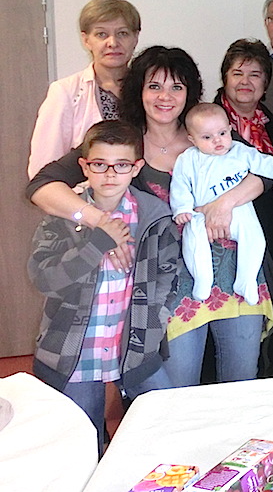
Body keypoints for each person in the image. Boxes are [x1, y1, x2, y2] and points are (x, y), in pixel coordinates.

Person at [28, 46, 273, 388]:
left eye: (177, 87)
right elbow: (41, 186)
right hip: (162, 286)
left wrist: (226, 202)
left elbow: (262, 173)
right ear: (138, 91)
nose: (165, 97)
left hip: (234, 271)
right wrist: (100, 221)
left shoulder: (207, 134)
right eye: (154, 86)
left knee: (241, 382)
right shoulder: (121, 142)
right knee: (176, 393)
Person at [27, 120, 178, 450]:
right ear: (84, 166)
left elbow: (169, 272)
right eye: (100, 164)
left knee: (164, 425)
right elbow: (44, 277)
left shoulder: (154, 215)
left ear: (137, 167)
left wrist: (157, 317)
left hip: (136, 345)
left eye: (121, 165)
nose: (110, 175)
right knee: (83, 440)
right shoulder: (62, 215)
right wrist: (97, 243)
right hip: (78, 351)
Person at [171, 103, 273, 306]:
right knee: (194, 240)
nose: (217, 140)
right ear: (192, 139)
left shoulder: (240, 151)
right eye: (207, 137)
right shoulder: (188, 159)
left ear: (230, 128)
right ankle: (202, 280)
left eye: (222, 133)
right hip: (202, 213)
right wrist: (182, 208)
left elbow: (265, 163)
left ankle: (246, 280)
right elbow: (180, 185)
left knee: (255, 240)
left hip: (241, 211)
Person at [213, 37, 273, 374]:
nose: (245, 82)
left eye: (255, 75)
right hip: (220, 231)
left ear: (266, 84)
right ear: (225, 78)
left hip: (270, 228)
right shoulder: (205, 123)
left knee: (266, 306)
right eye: (237, 73)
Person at [28, 0, 141, 178]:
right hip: (84, 200)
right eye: (101, 34)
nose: (112, 42)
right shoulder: (65, 92)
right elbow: (42, 171)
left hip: (144, 200)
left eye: (122, 33)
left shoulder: (149, 90)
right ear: (86, 40)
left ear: (135, 38)